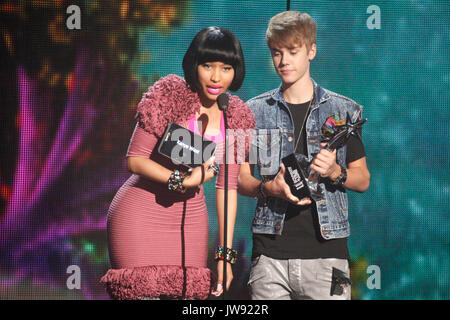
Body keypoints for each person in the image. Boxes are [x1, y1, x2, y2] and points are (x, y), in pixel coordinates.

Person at [101, 26, 255, 300]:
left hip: (190, 221)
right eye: (208, 65)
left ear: (236, 71)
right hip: (140, 215)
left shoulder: (237, 117)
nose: (216, 76)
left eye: (226, 67)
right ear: (195, 64)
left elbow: (228, 189)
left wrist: (225, 256)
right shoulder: (170, 96)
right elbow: (135, 161)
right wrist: (181, 180)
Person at [238, 11, 370, 300]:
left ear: (311, 51)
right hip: (269, 258)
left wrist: (336, 172)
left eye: (292, 52)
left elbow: (363, 180)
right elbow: (239, 180)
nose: (284, 61)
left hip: (329, 257)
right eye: (276, 53)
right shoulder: (253, 111)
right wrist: (267, 187)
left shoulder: (344, 111)